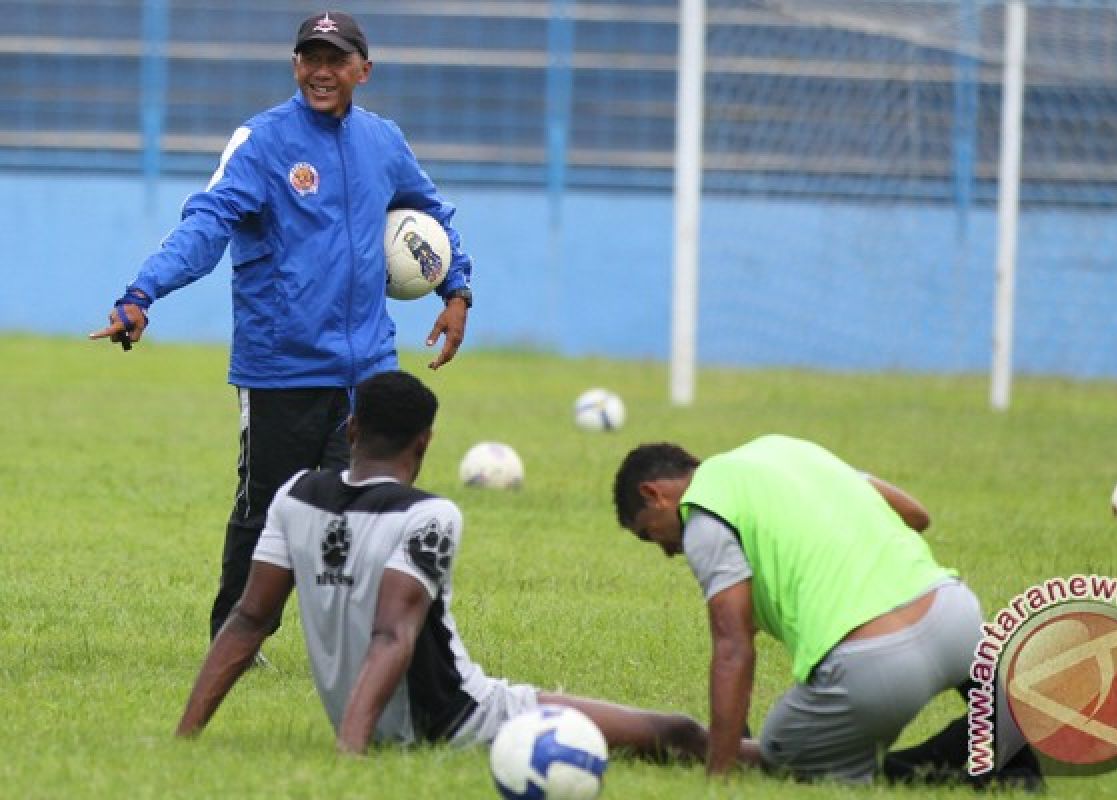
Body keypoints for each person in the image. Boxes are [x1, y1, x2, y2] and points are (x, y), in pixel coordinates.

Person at [89, 11, 476, 644]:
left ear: (363, 70)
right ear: (295, 65)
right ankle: (237, 633)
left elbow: (428, 213)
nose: (321, 71)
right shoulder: (263, 142)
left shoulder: (384, 142)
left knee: (365, 505)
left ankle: (363, 640)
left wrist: (456, 289)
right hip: (281, 365)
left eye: (335, 59)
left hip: (368, 367)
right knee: (266, 509)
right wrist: (142, 293)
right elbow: (207, 222)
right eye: (309, 58)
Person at [175, 370, 750, 766]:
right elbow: (393, 634)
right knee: (673, 732)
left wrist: (186, 735)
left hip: (419, 716)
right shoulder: (430, 514)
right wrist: (350, 753)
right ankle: (786, 758)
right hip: (466, 719)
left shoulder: (296, 495)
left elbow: (249, 620)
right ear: (424, 443)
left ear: (350, 431)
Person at [611, 435, 1042, 787]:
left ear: (656, 495)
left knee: (781, 750)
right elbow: (916, 515)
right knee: (989, 701)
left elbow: (732, 650)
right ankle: (1014, 765)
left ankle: (916, 775)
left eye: (651, 535)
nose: (668, 551)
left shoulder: (703, 517)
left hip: (876, 669)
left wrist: (718, 778)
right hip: (958, 618)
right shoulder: (787, 451)